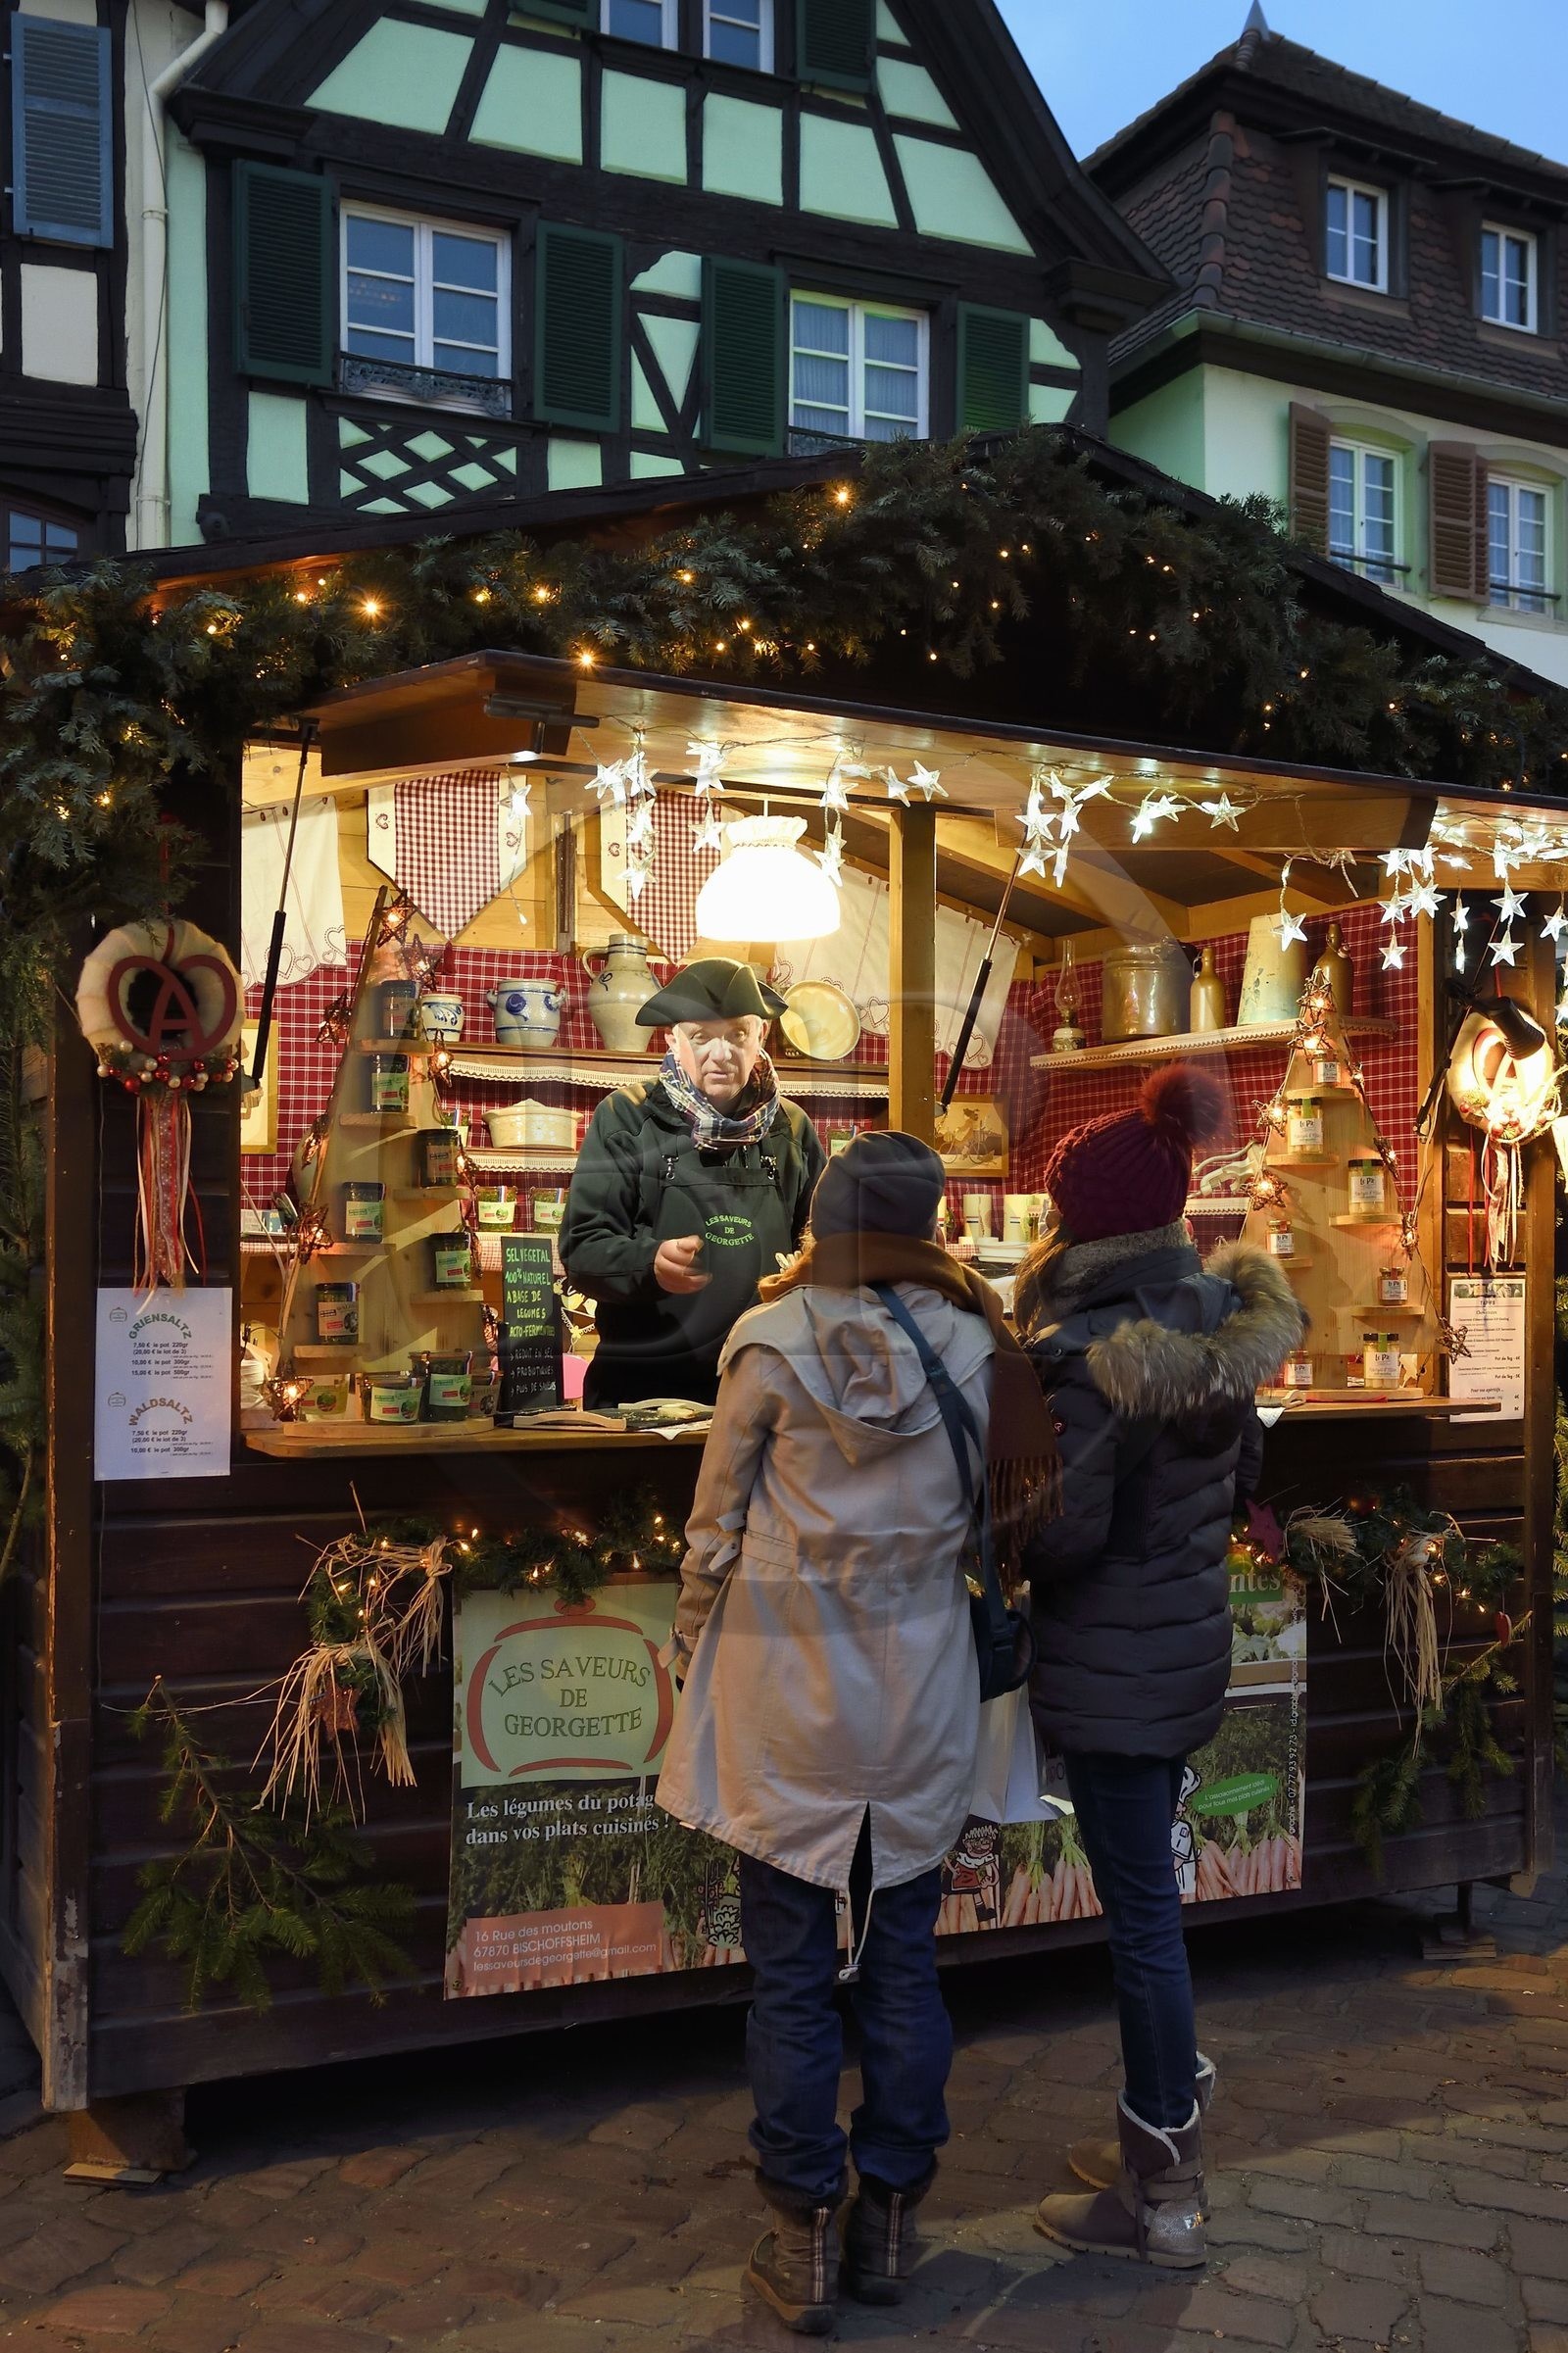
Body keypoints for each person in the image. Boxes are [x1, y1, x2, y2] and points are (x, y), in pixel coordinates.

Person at [656, 1132, 1058, 2334]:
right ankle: (890, 2210)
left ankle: (801, 2230)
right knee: (902, 1963)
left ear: (824, 1220)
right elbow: (1013, 1517)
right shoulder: (985, 1348)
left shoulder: (770, 1345)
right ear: (930, 1222)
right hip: (923, 1689)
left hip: (782, 1697)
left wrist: (687, 1647)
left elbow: (714, 1525)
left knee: (789, 1972)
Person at [1016, 1064, 1302, 2271]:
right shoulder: (1216, 1331)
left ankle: (1163, 2181)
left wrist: (1007, 1512)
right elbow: (1237, 1483)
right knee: (1154, 1909)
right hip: (1181, 1648)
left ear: (1083, 1226)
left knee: (1143, 1923)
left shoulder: (1090, 1351)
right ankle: (1160, 2129)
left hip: (1109, 1662)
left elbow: (1066, 1531)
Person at [559, 957, 825, 1408]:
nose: (721, 1053)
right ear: (673, 1039)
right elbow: (582, 1250)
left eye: (738, 1034)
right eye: (701, 1037)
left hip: (766, 1394)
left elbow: (825, 1246)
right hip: (644, 1396)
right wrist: (650, 1262)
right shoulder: (626, 1119)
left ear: (761, 1034)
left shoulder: (790, 1129)